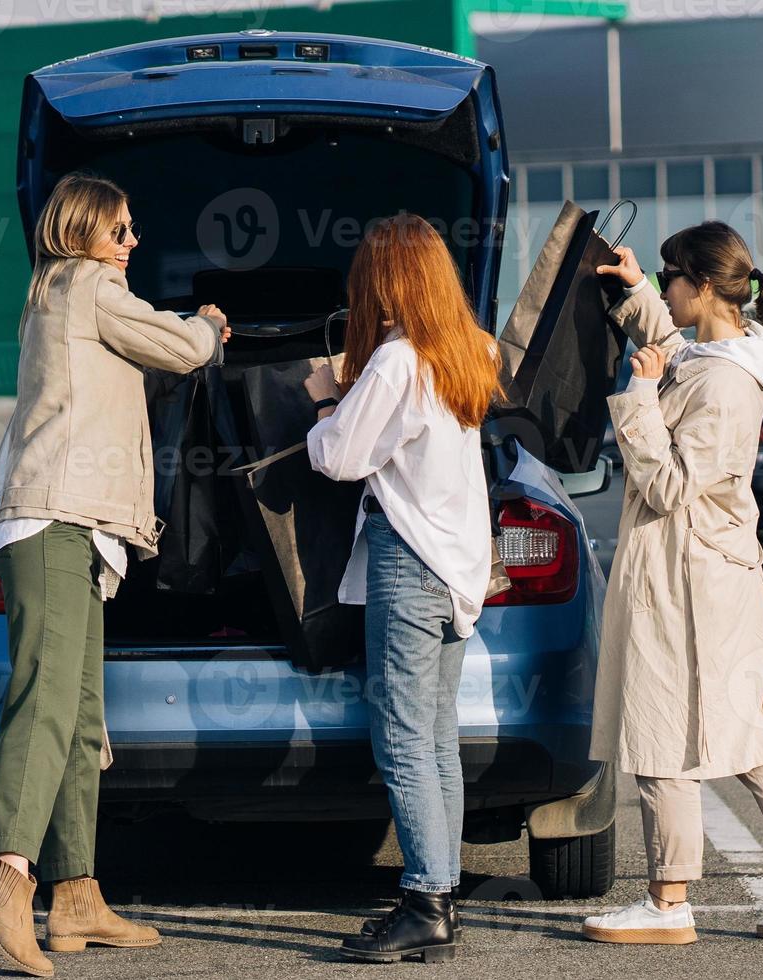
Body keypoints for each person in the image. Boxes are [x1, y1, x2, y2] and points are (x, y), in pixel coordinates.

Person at [0, 172, 230, 977]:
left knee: (81, 722)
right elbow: (179, 346)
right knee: (44, 703)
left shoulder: (62, 296)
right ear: (83, 233)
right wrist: (209, 325)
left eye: (132, 231)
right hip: (55, 525)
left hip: (76, 528)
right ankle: (7, 882)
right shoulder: (86, 283)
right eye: (121, 231)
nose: (132, 243)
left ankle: (76, 895)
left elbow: (133, 373)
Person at [582, 221, 763, 945]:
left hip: (685, 576)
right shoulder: (729, 353)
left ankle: (668, 903)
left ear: (703, 286)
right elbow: (676, 341)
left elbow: (670, 487)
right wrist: (635, 289)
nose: (666, 290)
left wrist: (637, 402)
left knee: (664, 720)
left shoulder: (724, 383)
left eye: (672, 278)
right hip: (717, 573)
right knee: (752, 726)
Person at [304, 213, 500, 965]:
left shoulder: (394, 361)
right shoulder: (468, 352)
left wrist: (326, 396)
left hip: (409, 561)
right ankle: (440, 896)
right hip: (455, 566)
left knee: (403, 735)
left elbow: (339, 456)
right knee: (437, 736)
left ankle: (425, 903)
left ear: (384, 281)